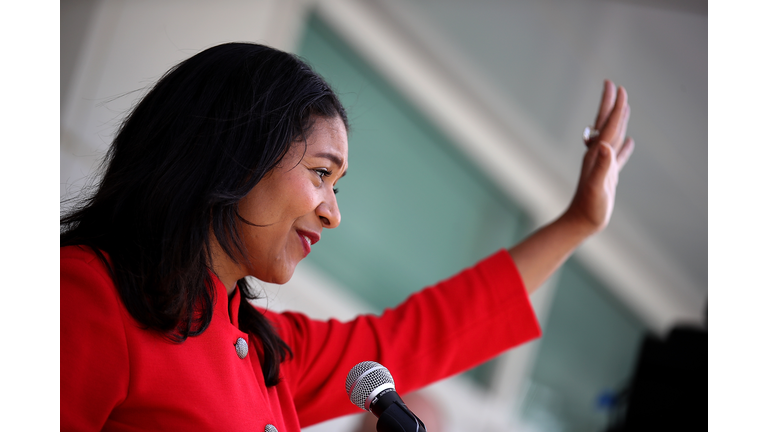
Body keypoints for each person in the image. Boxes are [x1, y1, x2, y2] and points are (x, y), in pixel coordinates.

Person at [61, 43, 633, 431]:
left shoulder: (267, 353)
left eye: (338, 186)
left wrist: (577, 223)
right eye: (320, 174)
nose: (333, 213)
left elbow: (425, 334)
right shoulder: (86, 296)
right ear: (235, 155)